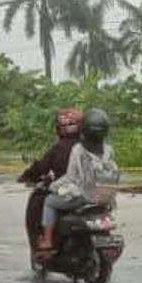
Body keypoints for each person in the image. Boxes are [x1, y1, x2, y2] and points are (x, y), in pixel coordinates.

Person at [37, 108, 120, 255]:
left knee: (49, 201)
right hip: (106, 198)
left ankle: (48, 240)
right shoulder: (109, 149)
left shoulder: (78, 150)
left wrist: (53, 186)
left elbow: (71, 177)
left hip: (84, 197)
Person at [19, 108, 83, 250]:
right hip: (92, 193)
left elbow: (41, 167)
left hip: (68, 192)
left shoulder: (59, 148)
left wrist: (27, 176)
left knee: (47, 202)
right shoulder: (92, 147)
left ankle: (47, 240)